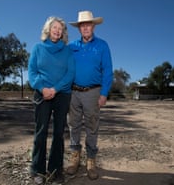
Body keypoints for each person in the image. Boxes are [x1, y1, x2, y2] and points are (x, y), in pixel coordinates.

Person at [66, 10, 113, 180]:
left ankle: (91, 160)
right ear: (79, 28)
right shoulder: (71, 47)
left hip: (93, 92)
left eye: (88, 25)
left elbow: (108, 71)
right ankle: (74, 158)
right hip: (73, 92)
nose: (85, 28)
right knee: (74, 125)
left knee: (92, 127)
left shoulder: (102, 45)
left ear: (93, 26)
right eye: (82, 25)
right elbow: (63, 67)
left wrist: (104, 93)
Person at [28, 16, 75, 185]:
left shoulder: (67, 50)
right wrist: (43, 88)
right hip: (42, 94)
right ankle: (37, 170)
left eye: (60, 28)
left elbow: (70, 74)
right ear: (48, 29)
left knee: (58, 133)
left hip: (62, 94)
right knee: (40, 132)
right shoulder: (38, 48)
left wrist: (55, 89)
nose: (57, 30)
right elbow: (32, 72)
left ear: (63, 33)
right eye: (54, 27)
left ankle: (55, 171)